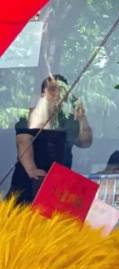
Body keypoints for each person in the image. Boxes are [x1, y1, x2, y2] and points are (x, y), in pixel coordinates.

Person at [8, 74, 93, 202]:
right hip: (31, 182)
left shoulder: (69, 120)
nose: (57, 94)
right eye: (53, 89)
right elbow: (23, 141)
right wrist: (32, 169)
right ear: (43, 93)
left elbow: (85, 142)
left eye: (62, 90)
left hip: (58, 183)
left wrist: (82, 118)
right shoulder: (31, 115)